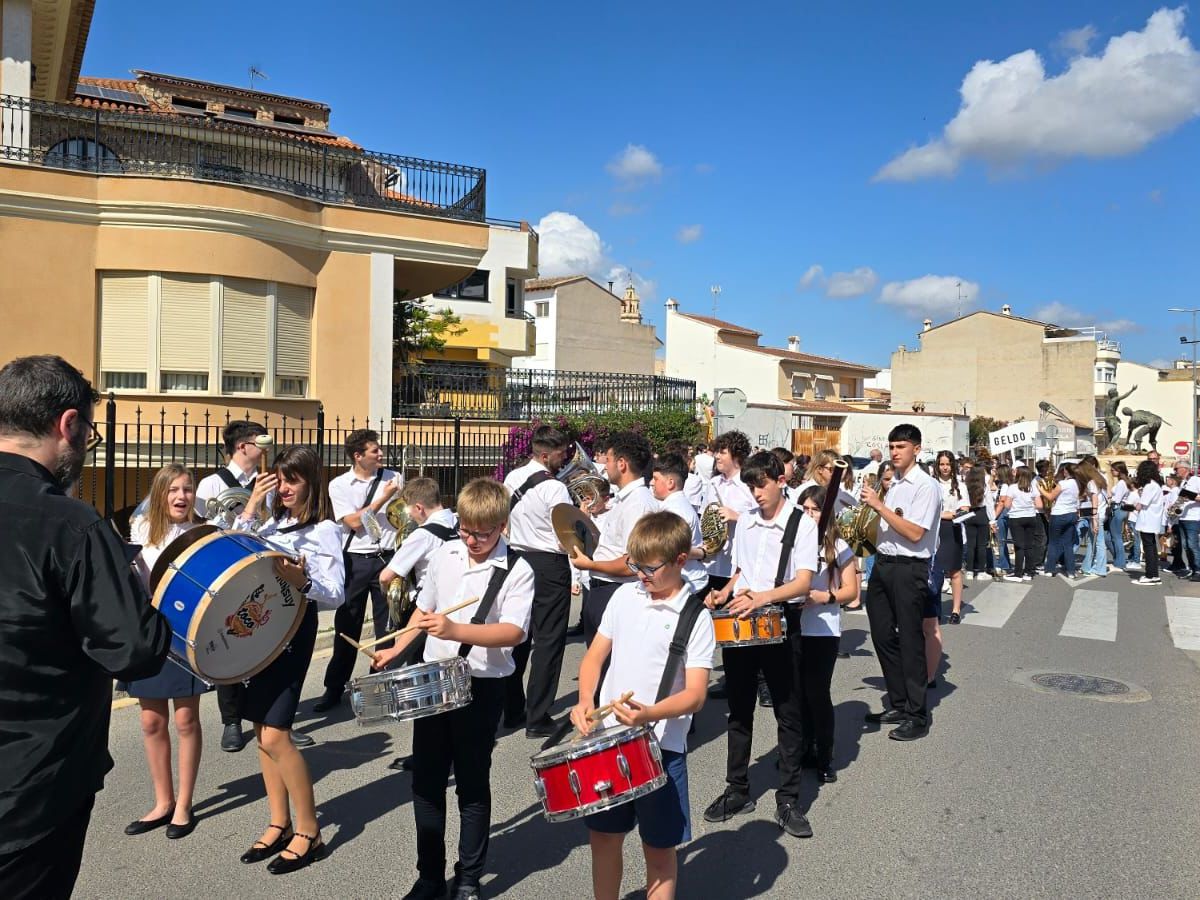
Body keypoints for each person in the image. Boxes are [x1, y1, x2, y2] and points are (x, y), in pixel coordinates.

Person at [0, 355, 171, 900]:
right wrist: (140, 590)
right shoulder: (71, 525)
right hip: (32, 793)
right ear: (67, 424)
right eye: (89, 432)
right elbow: (135, 652)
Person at [372, 478, 534, 900]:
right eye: (465, 528)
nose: (472, 539)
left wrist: (456, 628)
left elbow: (514, 632)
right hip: (434, 677)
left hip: (482, 685)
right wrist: (396, 649)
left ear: (502, 526)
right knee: (426, 781)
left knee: (471, 782)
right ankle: (429, 876)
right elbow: (423, 611)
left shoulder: (518, 569)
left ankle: (467, 877)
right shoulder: (445, 552)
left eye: (482, 532)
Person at [570, 512, 715, 900]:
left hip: (661, 748)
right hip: (609, 740)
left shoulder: (695, 617)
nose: (640, 575)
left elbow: (697, 694)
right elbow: (593, 658)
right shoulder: (624, 596)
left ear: (680, 560)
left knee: (659, 850)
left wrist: (649, 714)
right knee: (602, 837)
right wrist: (586, 700)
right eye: (634, 565)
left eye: (649, 568)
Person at [234, 446, 345, 874]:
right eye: (279, 478)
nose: (283, 487)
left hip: (294, 630)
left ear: (311, 483)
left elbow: (335, 593)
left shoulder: (325, 531)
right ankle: (278, 821)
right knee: (262, 730)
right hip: (262, 627)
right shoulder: (273, 522)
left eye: (291, 480)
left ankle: (309, 830)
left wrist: (303, 579)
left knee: (278, 733)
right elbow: (232, 542)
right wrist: (251, 505)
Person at [702, 451, 817, 838]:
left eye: (761, 484)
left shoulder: (800, 523)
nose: (755, 493)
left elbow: (803, 583)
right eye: (750, 486)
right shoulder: (748, 520)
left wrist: (762, 597)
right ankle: (738, 789)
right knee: (739, 709)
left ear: (779, 480)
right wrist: (723, 594)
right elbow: (739, 571)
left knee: (788, 711)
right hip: (743, 619)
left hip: (782, 620)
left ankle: (788, 799)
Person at [121, 465, 211, 840]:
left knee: (186, 720)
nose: (181, 496)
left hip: (185, 633)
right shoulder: (141, 530)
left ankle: (185, 804)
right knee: (150, 722)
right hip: (148, 633)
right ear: (159, 495)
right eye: (173, 489)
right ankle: (163, 802)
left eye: (187, 489)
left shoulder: (202, 533)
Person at [862, 424, 941, 741]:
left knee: (910, 640)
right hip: (883, 564)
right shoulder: (892, 484)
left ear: (917, 450)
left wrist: (878, 506)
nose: (895, 452)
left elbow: (914, 533)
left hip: (910, 568)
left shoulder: (926, 486)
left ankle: (918, 713)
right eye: (892, 446)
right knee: (881, 635)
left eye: (901, 447)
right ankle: (898, 703)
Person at [195, 419, 271, 752]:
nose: (266, 449)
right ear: (243, 446)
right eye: (261, 442)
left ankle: (272, 720)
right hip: (227, 569)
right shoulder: (211, 484)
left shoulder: (269, 480)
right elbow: (204, 529)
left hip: (263, 568)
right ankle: (232, 721)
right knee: (230, 638)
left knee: (268, 640)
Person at [313, 429, 401, 714]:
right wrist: (380, 499)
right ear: (357, 455)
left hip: (387, 557)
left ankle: (384, 686)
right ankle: (334, 688)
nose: (380, 454)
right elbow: (352, 522)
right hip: (356, 559)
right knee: (347, 624)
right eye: (374, 450)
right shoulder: (340, 484)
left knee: (387, 626)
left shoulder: (393, 476)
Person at [500, 425, 575, 737]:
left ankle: (514, 709)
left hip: (517, 559)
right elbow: (568, 535)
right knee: (548, 641)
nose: (565, 458)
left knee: (518, 636)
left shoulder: (511, 478)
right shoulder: (555, 488)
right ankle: (538, 715)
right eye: (561, 454)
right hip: (549, 564)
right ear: (545, 454)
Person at [572, 432, 659, 645]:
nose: (604, 467)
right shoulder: (626, 499)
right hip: (606, 589)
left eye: (608, 460)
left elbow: (634, 562)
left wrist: (590, 564)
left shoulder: (638, 503)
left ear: (621, 464)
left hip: (616, 590)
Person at [795, 485, 856, 783]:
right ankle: (802, 747)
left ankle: (824, 754)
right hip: (794, 627)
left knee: (817, 693)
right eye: (804, 509)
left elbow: (851, 591)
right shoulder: (792, 543)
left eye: (815, 509)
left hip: (823, 629)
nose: (808, 514)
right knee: (796, 694)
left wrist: (823, 597)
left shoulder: (838, 546)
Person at [649, 453, 710, 594]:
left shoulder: (675, 511)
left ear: (670, 483)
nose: (651, 482)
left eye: (656, 479)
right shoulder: (672, 505)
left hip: (688, 581)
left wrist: (702, 553)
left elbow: (671, 549)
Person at [846, 461, 895, 612]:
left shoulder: (901, 495)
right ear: (880, 479)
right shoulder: (874, 496)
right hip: (875, 545)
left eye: (893, 478)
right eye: (886, 479)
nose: (890, 483)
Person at [934, 451, 969, 623]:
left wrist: (947, 514)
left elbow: (965, 509)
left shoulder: (960, 485)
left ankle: (955, 610)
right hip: (935, 531)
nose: (945, 467)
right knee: (936, 572)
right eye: (942, 464)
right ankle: (936, 608)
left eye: (948, 464)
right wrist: (945, 514)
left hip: (953, 530)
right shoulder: (932, 483)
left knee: (954, 571)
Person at [999, 466, 1043, 582]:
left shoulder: (1012, 488)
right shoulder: (1033, 488)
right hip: (1031, 517)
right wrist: (1030, 504)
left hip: (1016, 518)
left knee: (1019, 546)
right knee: (1029, 545)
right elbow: (1040, 505)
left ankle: (1018, 573)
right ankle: (1029, 572)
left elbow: (1007, 505)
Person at [1041, 463, 1084, 578]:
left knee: (1054, 543)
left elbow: (1050, 496)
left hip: (1059, 514)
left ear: (1067, 471)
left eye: (1065, 470)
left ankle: (1050, 569)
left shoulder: (1063, 483)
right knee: (1068, 544)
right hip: (1071, 514)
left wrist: (1040, 489)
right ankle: (1071, 571)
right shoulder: (1077, 483)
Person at [1133, 460, 1165, 586]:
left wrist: (1135, 504)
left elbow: (1141, 505)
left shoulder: (1150, 486)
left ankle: (1150, 575)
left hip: (1148, 521)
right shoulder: (1155, 485)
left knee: (1149, 548)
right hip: (1152, 520)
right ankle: (1153, 575)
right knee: (1151, 547)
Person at [1077, 458, 1109, 577]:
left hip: (1097, 514)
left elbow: (1094, 500)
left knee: (1099, 542)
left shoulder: (1091, 483)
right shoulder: (1100, 479)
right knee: (1092, 540)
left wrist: (1094, 518)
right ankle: (1087, 566)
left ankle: (1100, 569)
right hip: (1100, 513)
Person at [962, 465, 991, 581]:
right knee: (982, 545)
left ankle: (969, 570)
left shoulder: (966, 485)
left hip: (970, 514)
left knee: (970, 544)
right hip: (982, 513)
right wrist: (992, 519)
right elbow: (989, 504)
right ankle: (981, 571)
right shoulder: (984, 486)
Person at [1107, 461, 1134, 572]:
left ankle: (1120, 562)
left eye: (1113, 470)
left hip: (1117, 509)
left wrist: (1109, 498)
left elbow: (1116, 499)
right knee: (1115, 536)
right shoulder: (1124, 482)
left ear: (1119, 471)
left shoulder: (1122, 483)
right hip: (1122, 509)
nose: (1111, 472)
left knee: (1116, 537)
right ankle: (1119, 560)